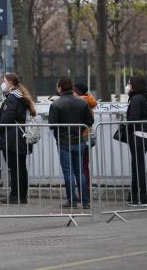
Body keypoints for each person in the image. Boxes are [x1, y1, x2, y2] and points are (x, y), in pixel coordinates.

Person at [49, 77, 94, 209]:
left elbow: (52, 124)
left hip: (63, 141)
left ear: (60, 88)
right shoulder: (82, 103)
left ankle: (72, 200)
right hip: (79, 140)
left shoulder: (56, 104)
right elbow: (89, 121)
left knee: (68, 172)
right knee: (80, 171)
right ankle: (85, 201)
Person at [0, 73, 36, 205]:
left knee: (15, 168)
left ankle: (15, 196)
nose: (3, 84)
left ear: (11, 83)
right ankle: (21, 195)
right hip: (20, 137)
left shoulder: (12, 99)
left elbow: (7, 118)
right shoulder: (20, 96)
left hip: (13, 138)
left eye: (5, 81)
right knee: (20, 167)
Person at [124, 75, 147, 206]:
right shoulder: (144, 98)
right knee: (137, 165)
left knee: (138, 166)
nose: (128, 86)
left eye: (129, 83)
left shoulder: (135, 99)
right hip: (144, 135)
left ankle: (142, 197)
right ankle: (134, 197)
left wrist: (125, 123)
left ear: (134, 85)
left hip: (137, 135)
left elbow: (133, 118)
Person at [73, 82, 97, 197]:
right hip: (87, 137)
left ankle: (84, 192)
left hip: (81, 137)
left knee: (80, 166)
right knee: (84, 165)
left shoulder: (79, 102)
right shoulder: (89, 100)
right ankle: (86, 191)